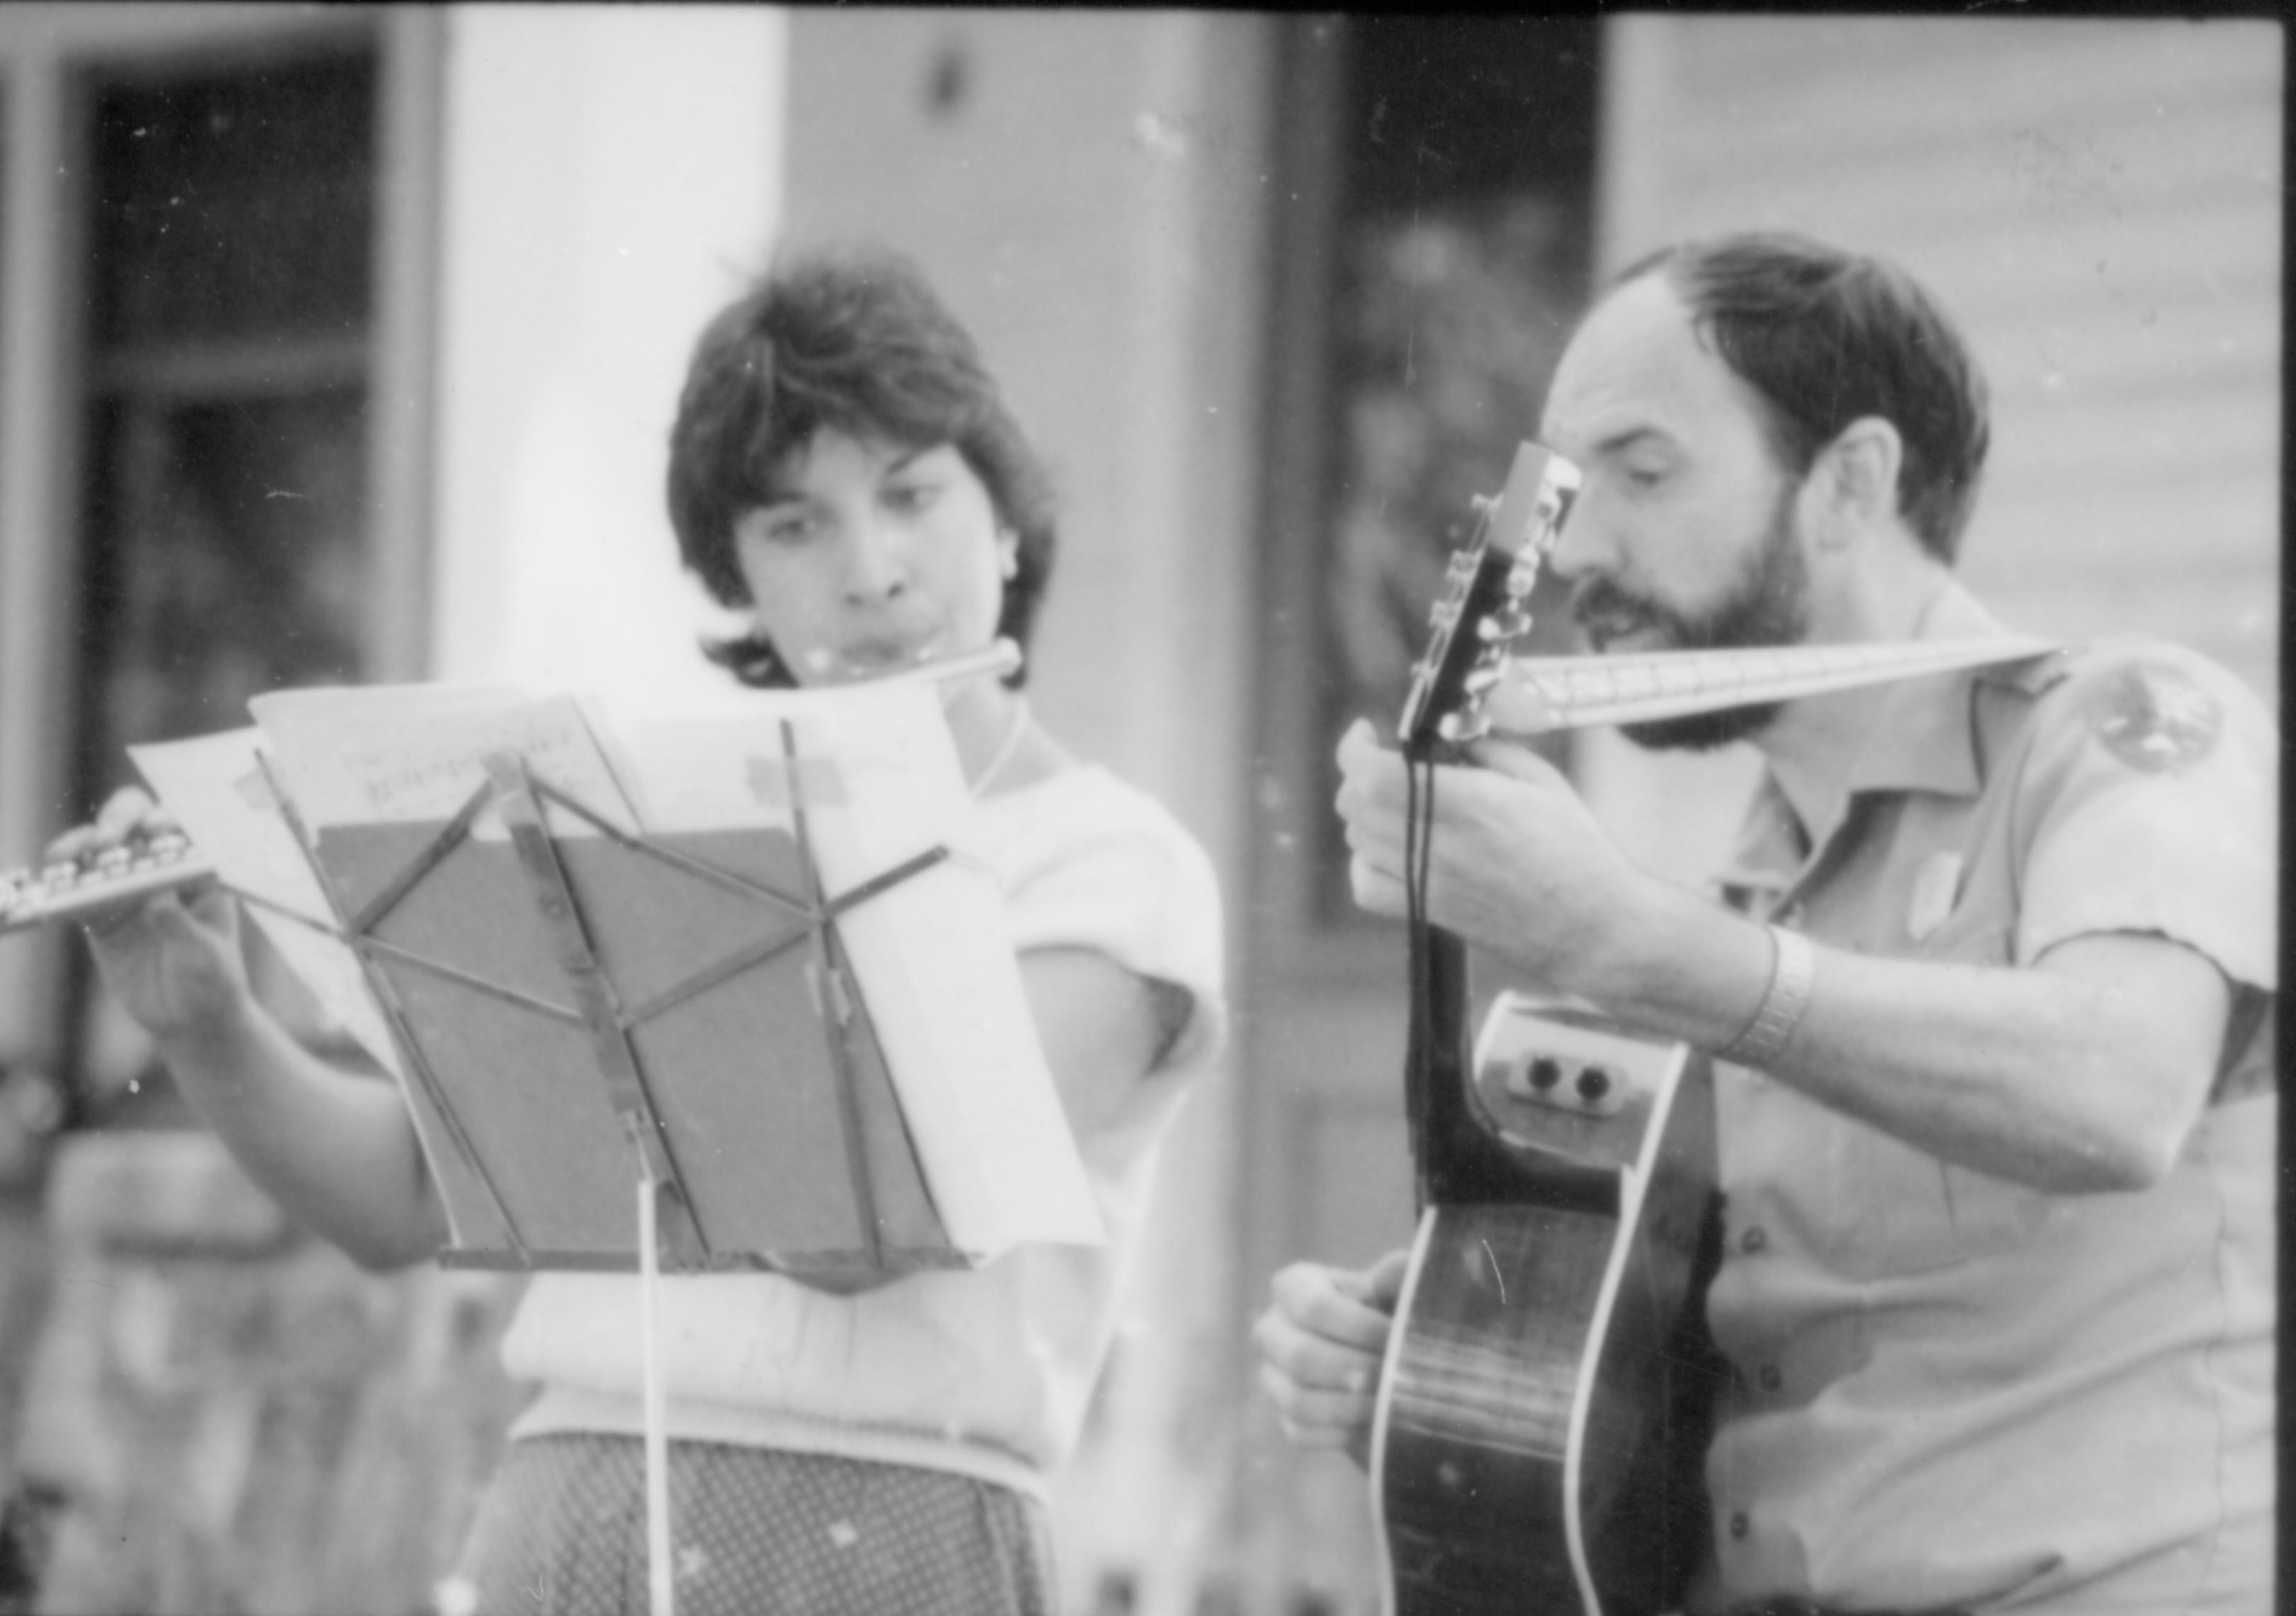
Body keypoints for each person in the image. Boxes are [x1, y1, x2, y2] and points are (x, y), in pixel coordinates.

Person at [60, 250, 1226, 1615]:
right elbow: (400, 1200)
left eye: (911, 495)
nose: (871, 572)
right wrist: (209, 1024)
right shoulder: (637, 833)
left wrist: (649, 971)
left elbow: (874, 1229)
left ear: (1009, 521)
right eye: (793, 528)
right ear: (738, 579)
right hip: (564, 1505)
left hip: (881, 1531)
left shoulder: (1111, 864)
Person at [1252, 231, 2273, 1616]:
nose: (1578, 552)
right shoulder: (1728, 902)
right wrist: (1465, 1376)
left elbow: (2122, 1086)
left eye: (1646, 472)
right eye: (1564, 491)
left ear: (1850, 482)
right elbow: (1692, 1412)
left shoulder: (2121, 732)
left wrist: (1630, 943)